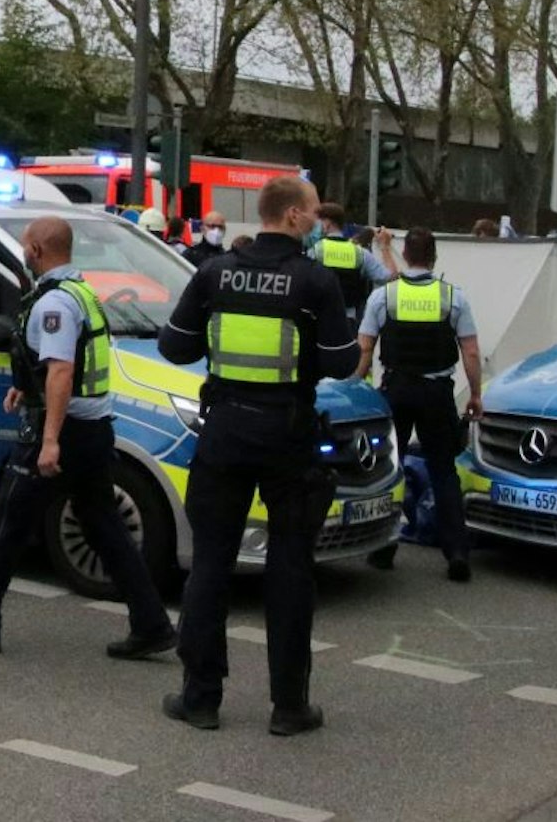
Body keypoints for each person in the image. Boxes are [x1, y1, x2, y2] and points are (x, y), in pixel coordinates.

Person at [0, 216, 177, 659]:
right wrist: (26, 385)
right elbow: (59, 362)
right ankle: (152, 623)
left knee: (3, 528)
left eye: (26, 246)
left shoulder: (54, 303)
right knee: (104, 525)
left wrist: (49, 440)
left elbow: (62, 370)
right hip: (93, 428)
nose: (24, 252)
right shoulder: (80, 290)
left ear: (38, 250)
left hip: (65, 430)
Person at [157, 176, 354, 736]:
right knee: (290, 570)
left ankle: (200, 698)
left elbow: (175, 346)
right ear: (292, 216)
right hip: (288, 435)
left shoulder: (215, 272)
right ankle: (289, 707)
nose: (317, 221)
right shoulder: (315, 282)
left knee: (211, 565)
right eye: (313, 213)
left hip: (224, 432)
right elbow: (341, 363)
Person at [354, 227, 483, 583]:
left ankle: (383, 550)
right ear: (434, 257)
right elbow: (470, 351)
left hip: (395, 390)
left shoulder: (384, 296)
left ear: (405, 255)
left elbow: (365, 348)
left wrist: (353, 387)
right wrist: (475, 394)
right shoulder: (452, 297)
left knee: (390, 469)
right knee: (443, 470)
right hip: (436, 393)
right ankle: (456, 551)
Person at [310, 201, 395, 330]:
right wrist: (385, 247)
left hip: (319, 318)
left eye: (318, 221)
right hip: (348, 322)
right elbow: (389, 277)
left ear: (327, 223)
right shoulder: (360, 253)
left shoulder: (315, 251)